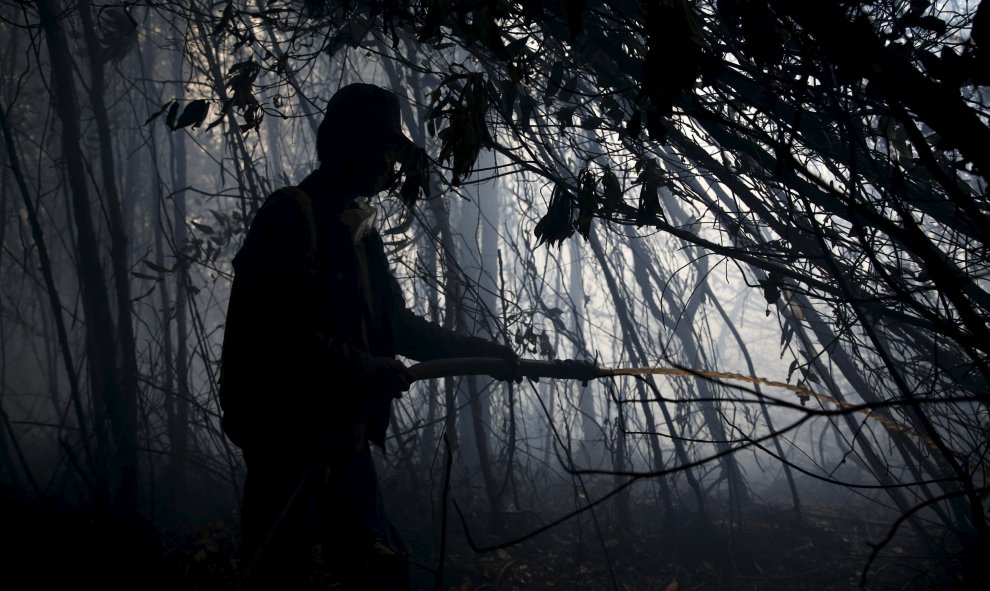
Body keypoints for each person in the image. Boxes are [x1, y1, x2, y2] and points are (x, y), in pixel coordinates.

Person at [219, 83, 517, 590]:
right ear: (349, 146)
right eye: (383, 149)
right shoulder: (291, 217)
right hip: (287, 448)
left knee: (379, 571)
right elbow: (279, 333)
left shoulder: (361, 233)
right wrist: (367, 369)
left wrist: (486, 354)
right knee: (275, 571)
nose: (389, 165)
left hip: (345, 444)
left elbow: (397, 326)